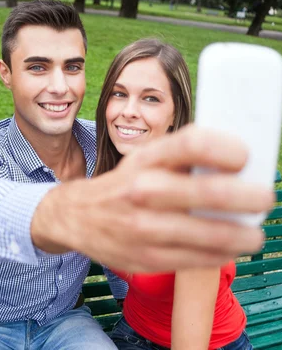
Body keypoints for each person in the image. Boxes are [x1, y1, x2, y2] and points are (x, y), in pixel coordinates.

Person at [0, 0, 273, 349]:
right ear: (6, 73)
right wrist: (69, 210)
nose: (59, 86)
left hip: (68, 321)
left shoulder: (106, 147)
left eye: (72, 67)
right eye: (37, 67)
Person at [97, 39, 251, 350]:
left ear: (175, 113)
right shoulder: (113, 171)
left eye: (150, 99)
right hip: (134, 332)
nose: (128, 111)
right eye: (119, 93)